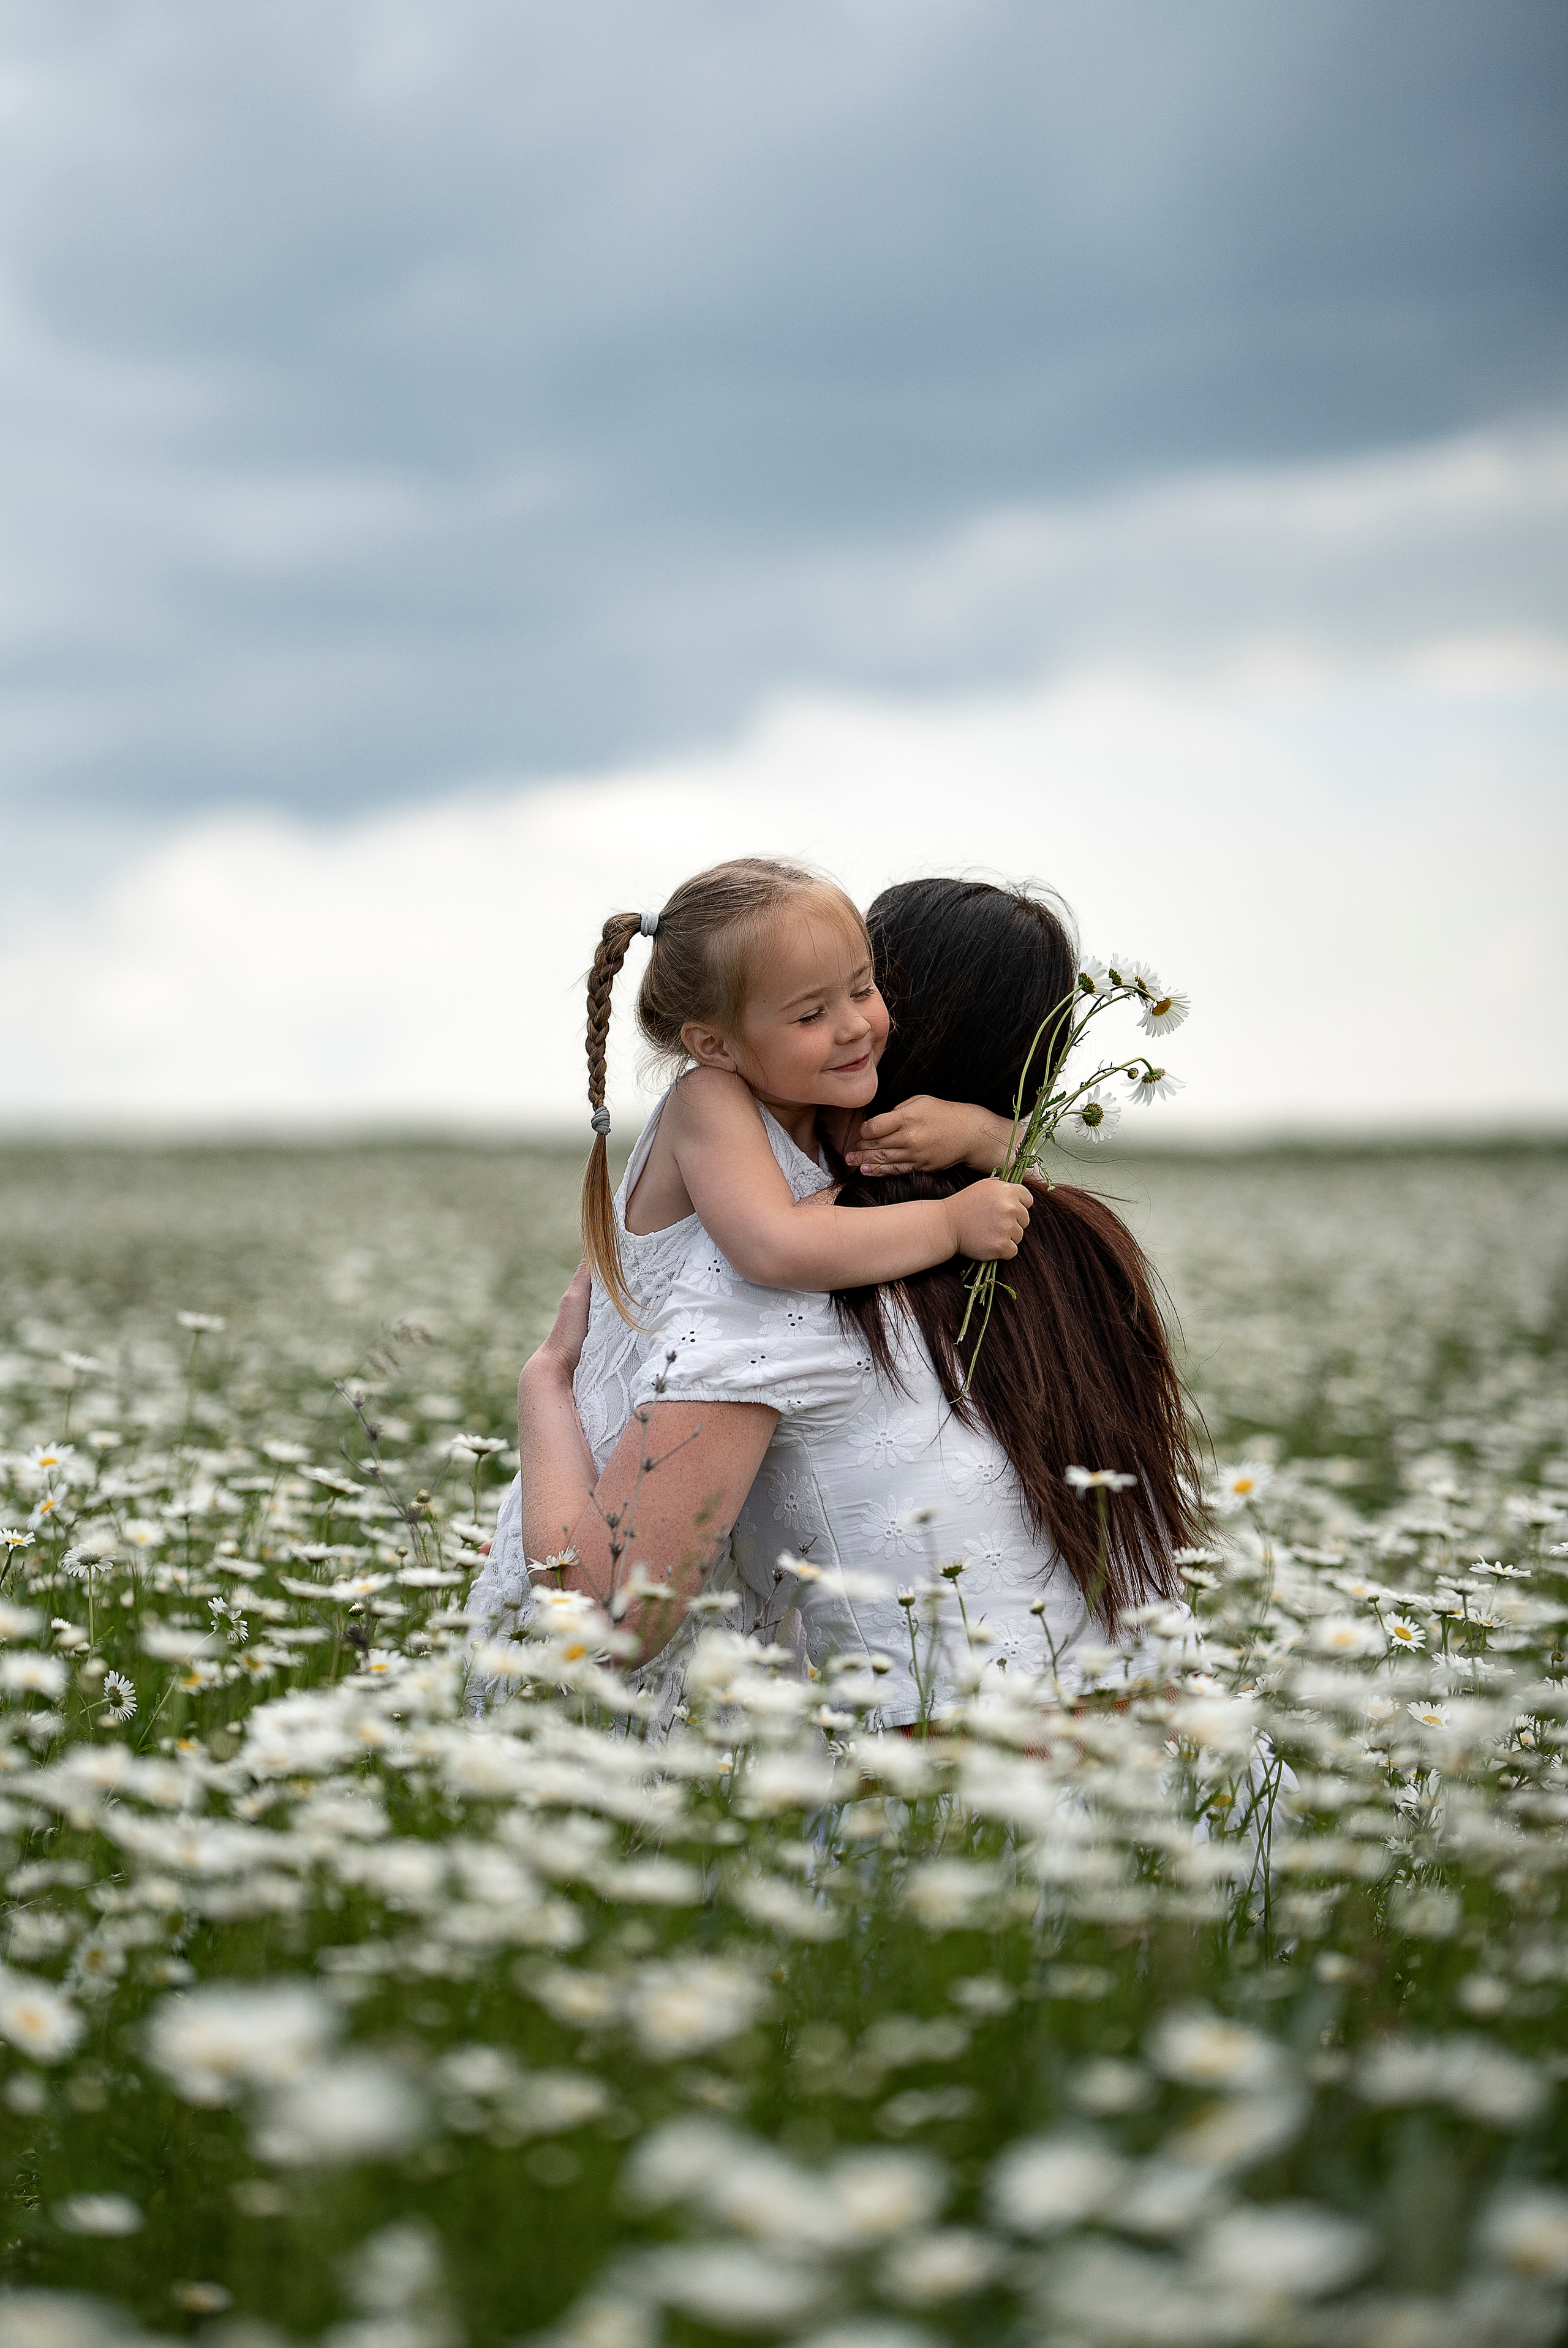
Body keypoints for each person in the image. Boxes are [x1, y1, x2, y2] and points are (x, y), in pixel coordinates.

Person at [483, 874, 1201, 1729]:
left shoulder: (835, 1249)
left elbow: (610, 1623)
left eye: (864, 988)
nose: (854, 1024)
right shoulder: (1075, 1244)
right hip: (1171, 1749)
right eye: (811, 1009)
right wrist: (978, 1157)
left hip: (925, 1769)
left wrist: (543, 1383)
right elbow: (779, 1244)